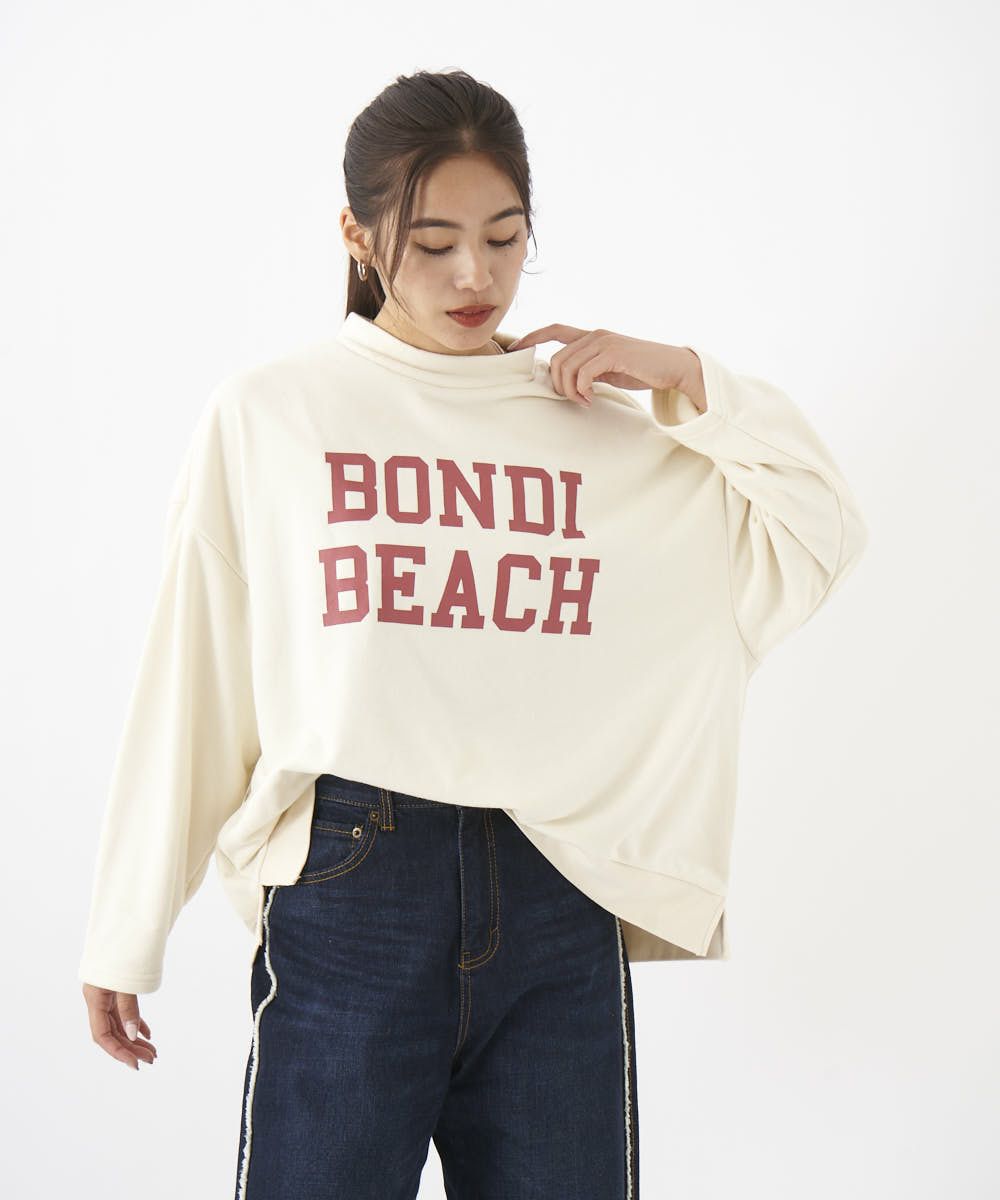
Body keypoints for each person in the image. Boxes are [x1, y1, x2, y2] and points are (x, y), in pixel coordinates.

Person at [78, 68, 868, 1199]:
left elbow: (822, 525)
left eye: (504, 238)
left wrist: (686, 378)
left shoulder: (600, 427)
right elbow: (194, 679)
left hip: (559, 883)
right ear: (356, 236)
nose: (475, 277)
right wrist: (126, 924)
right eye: (434, 241)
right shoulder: (276, 412)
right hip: (353, 885)